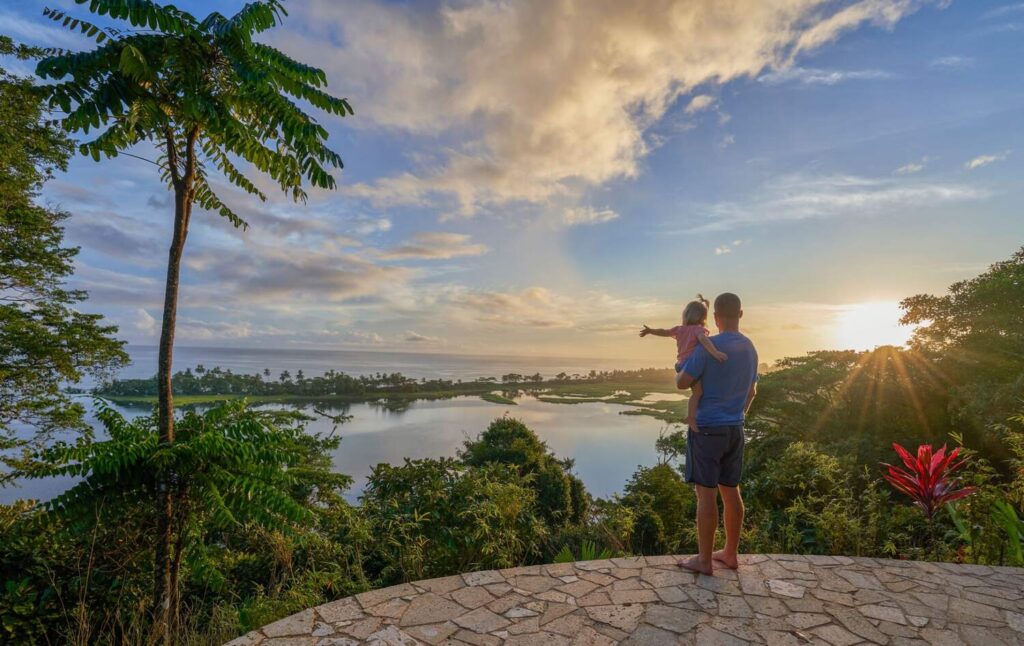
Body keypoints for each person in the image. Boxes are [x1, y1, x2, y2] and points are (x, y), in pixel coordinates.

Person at [674, 292, 758, 576]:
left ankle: (705, 560)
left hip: (707, 429)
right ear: (741, 314)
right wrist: (739, 414)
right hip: (735, 429)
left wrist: (678, 372)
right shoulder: (750, 348)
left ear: (716, 318)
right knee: (731, 491)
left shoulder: (705, 346)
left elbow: (682, 383)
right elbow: (752, 391)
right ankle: (730, 553)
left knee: (705, 496)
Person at [639, 295, 728, 429]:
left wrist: (651, 331)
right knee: (698, 393)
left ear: (686, 315)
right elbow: (704, 340)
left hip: (681, 364)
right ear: (703, 317)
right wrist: (715, 353)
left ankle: (691, 417)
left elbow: (664, 332)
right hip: (689, 365)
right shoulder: (698, 330)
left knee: (697, 392)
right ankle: (691, 418)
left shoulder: (679, 330)